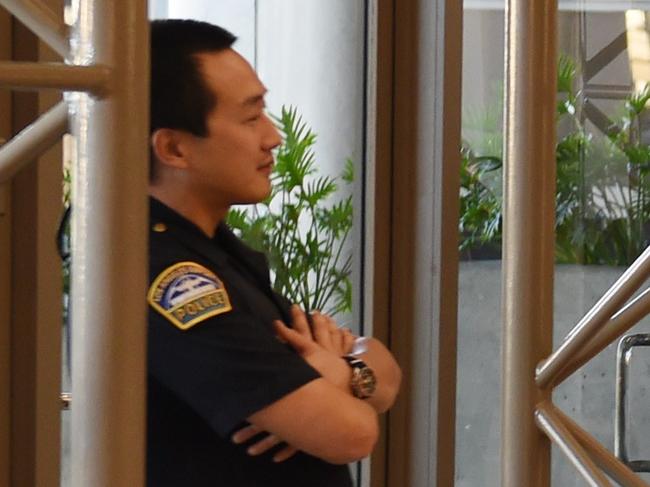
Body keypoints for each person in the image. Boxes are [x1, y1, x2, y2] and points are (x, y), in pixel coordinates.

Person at [147, 19, 402, 487]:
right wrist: (343, 389)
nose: (273, 137)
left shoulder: (214, 247)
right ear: (173, 148)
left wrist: (344, 376)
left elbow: (386, 371)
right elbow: (351, 434)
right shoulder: (165, 274)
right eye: (250, 117)